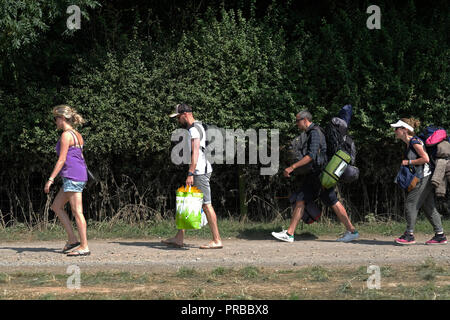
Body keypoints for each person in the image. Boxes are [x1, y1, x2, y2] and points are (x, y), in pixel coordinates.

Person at [272, 110, 359, 243]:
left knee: (304, 198)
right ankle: (352, 231)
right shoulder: (316, 131)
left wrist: (292, 167)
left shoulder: (314, 133)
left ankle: (290, 234)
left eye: (297, 121)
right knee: (330, 201)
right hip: (319, 174)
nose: (296, 124)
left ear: (305, 119)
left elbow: (311, 156)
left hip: (318, 174)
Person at [163, 103, 223, 249]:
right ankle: (179, 238)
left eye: (178, 117)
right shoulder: (197, 126)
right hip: (199, 169)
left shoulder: (194, 130)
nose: (178, 121)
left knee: (206, 205)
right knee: (187, 200)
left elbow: (195, 152)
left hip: (199, 171)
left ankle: (217, 240)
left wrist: (190, 173)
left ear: (185, 115)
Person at [391, 118, 447, 245]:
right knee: (428, 206)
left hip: (424, 178)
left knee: (411, 203)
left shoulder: (414, 141)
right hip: (423, 177)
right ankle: (440, 235)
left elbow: (425, 159)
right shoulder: (410, 142)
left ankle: (409, 235)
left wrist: (408, 162)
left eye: (397, 129)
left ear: (405, 130)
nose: (395, 131)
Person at [44, 105, 91, 256]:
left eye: (55, 119)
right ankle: (72, 240)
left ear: (62, 118)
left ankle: (84, 246)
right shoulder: (77, 134)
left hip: (73, 176)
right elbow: (80, 157)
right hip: (76, 175)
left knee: (77, 211)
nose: (55, 122)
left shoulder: (66, 135)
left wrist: (50, 179)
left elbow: (62, 159)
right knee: (56, 206)